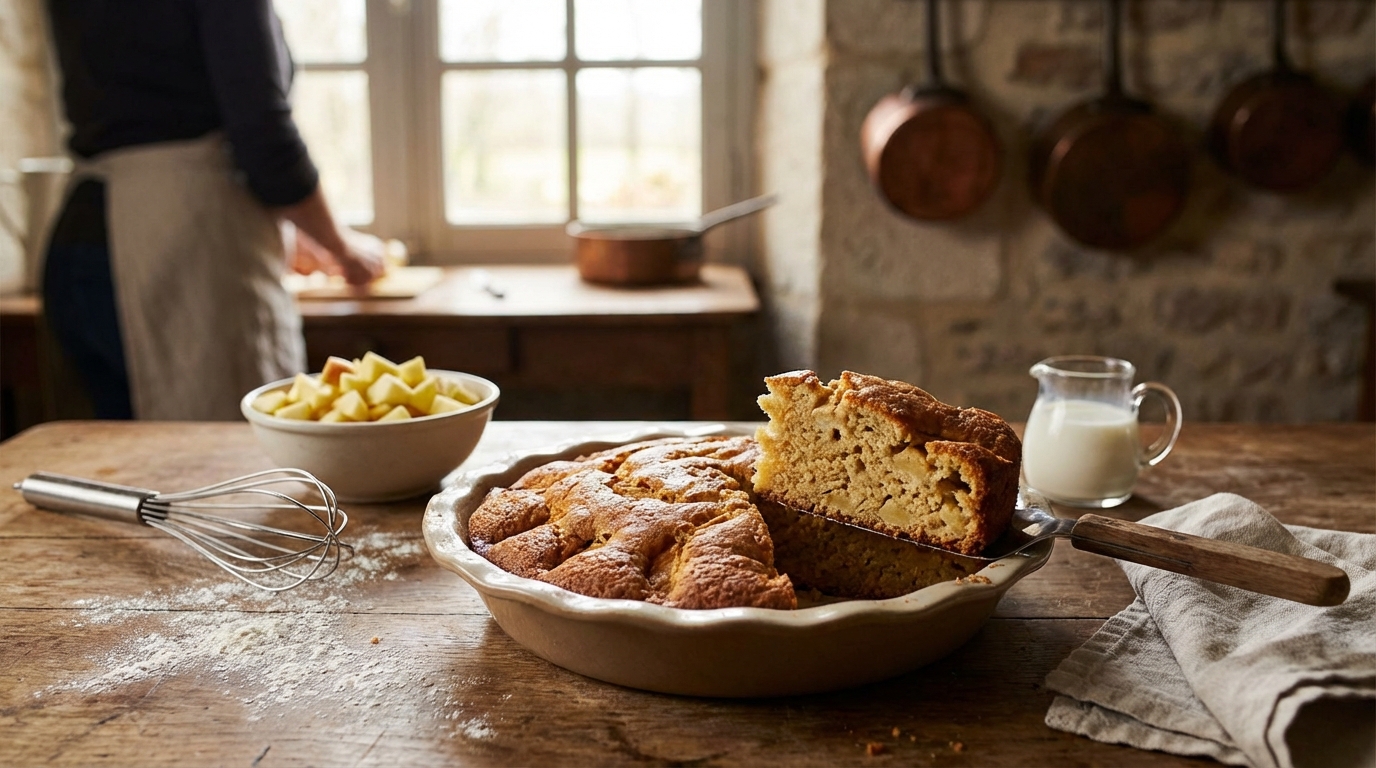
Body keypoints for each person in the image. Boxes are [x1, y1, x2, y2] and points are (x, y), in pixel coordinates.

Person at [42, 0, 385, 421]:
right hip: (180, 246)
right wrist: (339, 244)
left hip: (82, 235)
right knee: (223, 467)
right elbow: (264, 136)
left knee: (120, 469)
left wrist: (290, 234)